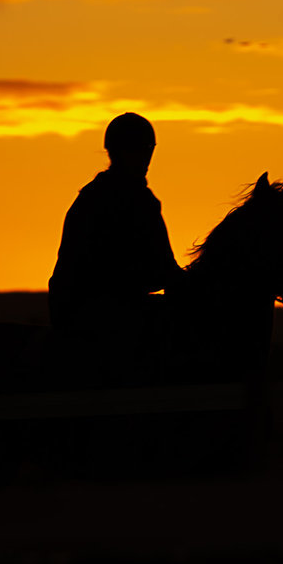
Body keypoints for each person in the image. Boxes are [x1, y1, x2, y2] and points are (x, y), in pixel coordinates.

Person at [48, 113, 182, 375]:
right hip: (100, 313)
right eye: (138, 150)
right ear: (116, 151)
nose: (144, 158)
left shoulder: (95, 195)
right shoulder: (131, 199)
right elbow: (160, 270)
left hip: (79, 307)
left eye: (146, 150)